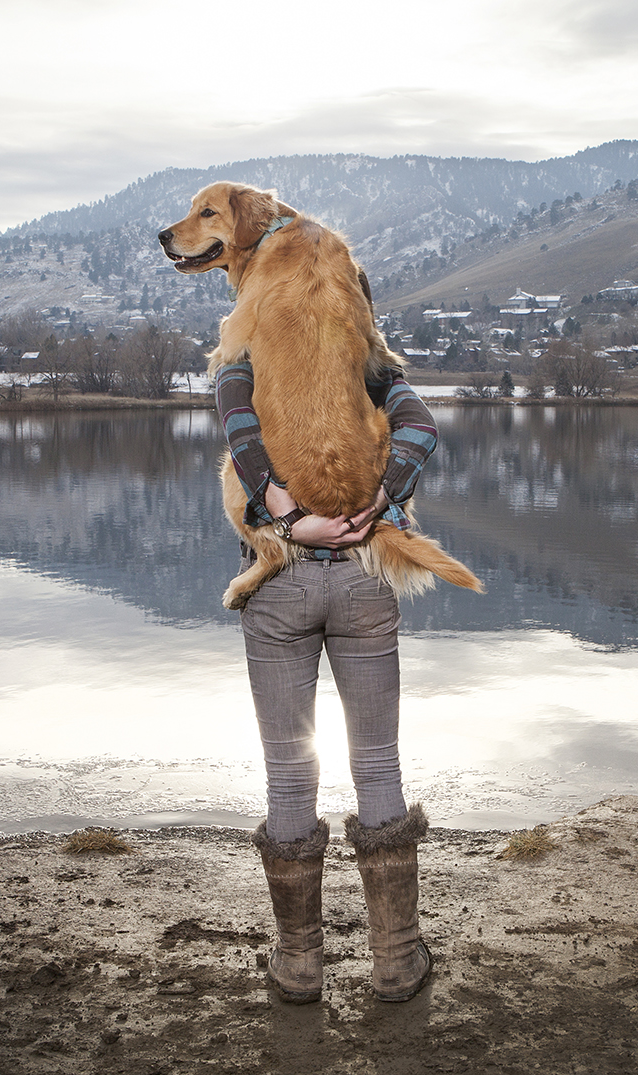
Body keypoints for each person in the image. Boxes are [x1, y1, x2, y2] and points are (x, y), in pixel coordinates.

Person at [213, 357, 437, 1004]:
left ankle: (299, 966)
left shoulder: (247, 360)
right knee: (378, 765)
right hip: (366, 579)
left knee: (288, 772)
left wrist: (283, 518)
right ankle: (396, 962)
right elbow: (419, 428)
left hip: (280, 582)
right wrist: (383, 496)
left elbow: (241, 432)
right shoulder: (367, 363)